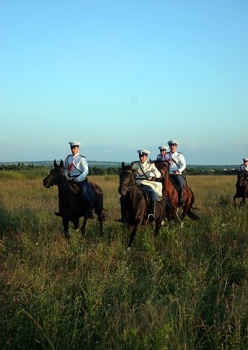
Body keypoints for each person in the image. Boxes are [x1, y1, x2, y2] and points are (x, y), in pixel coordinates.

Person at [56, 141, 94, 218]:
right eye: (71, 148)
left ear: (78, 148)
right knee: (62, 193)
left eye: (74, 148)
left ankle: (89, 210)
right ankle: (62, 210)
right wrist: (67, 176)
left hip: (81, 180)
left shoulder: (81, 159)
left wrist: (78, 179)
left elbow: (86, 171)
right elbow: (66, 169)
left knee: (84, 193)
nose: (72, 150)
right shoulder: (68, 158)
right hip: (70, 179)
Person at [131, 149, 163, 221]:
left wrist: (152, 174)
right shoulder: (135, 164)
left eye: (143, 156)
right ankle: (124, 215)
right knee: (124, 197)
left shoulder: (151, 165)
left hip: (146, 184)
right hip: (136, 184)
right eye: (140, 156)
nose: (141, 158)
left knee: (153, 195)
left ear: (146, 157)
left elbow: (159, 174)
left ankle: (152, 213)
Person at [165, 140, 186, 205]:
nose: (172, 147)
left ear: (176, 147)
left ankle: (181, 198)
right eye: (171, 146)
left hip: (176, 174)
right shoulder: (166, 155)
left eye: (174, 146)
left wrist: (178, 171)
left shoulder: (179, 155)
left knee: (180, 184)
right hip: (167, 174)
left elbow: (183, 164)